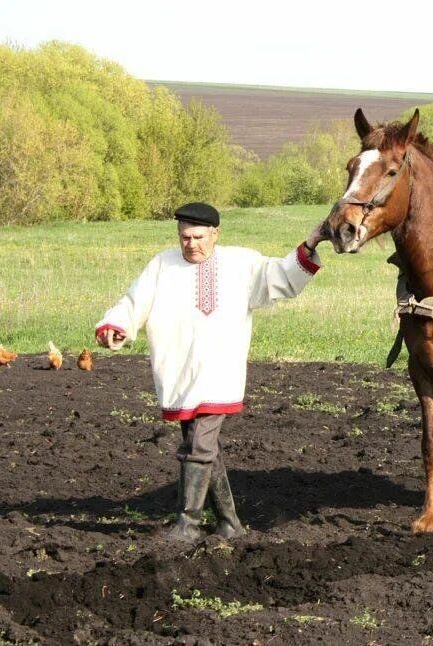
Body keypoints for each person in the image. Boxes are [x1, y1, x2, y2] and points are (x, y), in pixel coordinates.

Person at [96, 202, 328, 542]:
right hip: (179, 371)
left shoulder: (242, 263)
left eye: (198, 236)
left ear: (215, 234)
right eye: (185, 237)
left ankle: (187, 525)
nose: (191, 244)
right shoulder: (162, 264)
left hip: (220, 371)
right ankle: (230, 524)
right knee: (203, 448)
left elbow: (280, 277)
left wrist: (310, 245)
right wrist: (116, 326)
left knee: (199, 447)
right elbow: (135, 301)